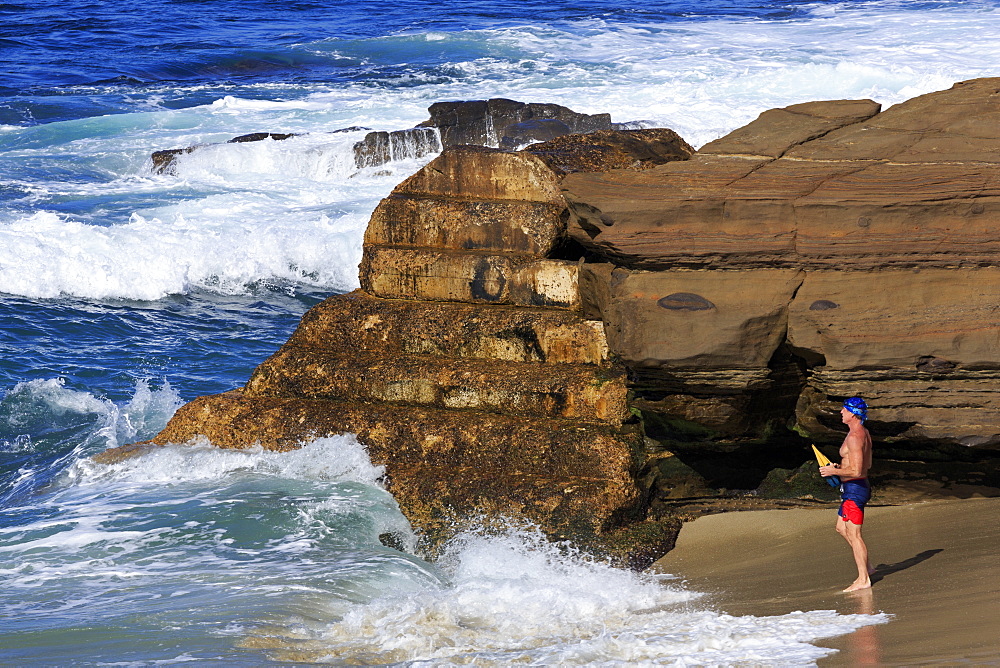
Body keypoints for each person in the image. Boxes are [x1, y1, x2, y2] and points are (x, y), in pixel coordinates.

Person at [819, 397, 875, 592]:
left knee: (854, 534)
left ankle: (863, 579)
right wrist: (840, 467)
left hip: (856, 489)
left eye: (843, 410)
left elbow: (859, 471)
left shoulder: (855, 437)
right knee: (841, 528)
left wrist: (834, 472)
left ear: (852, 413)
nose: (840, 413)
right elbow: (864, 465)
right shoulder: (862, 433)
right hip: (852, 488)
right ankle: (867, 567)